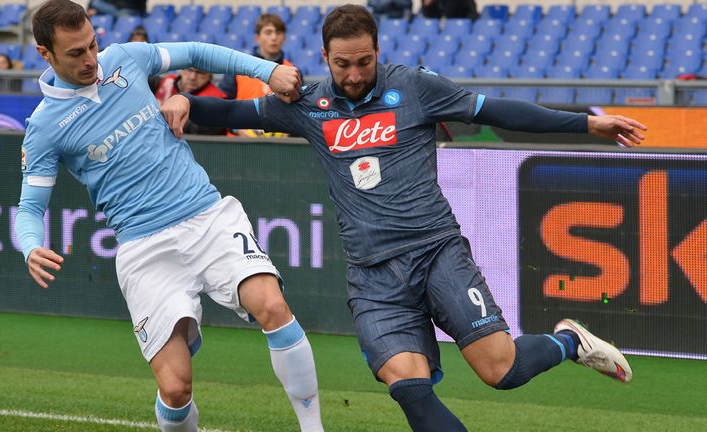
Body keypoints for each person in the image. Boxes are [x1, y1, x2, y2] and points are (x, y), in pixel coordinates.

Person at [159, 4, 646, 431]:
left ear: (378, 50)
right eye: (343, 64)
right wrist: (184, 99)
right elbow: (233, 112)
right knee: (408, 386)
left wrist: (586, 123)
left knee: (502, 371)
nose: (354, 74)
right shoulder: (307, 105)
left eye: (364, 62)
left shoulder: (414, 88)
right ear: (325, 57)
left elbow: (497, 110)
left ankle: (568, 341)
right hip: (373, 277)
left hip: (437, 254)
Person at [14, 1, 323, 431]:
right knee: (176, 388)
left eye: (92, 45)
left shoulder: (124, 58)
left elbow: (197, 52)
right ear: (45, 54)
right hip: (145, 248)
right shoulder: (45, 127)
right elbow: (29, 208)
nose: (90, 60)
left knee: (272, 305)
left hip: (207, 217)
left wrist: (264, 70)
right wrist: (30, 245)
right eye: (75, 54)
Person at [219, 13, 299, 138]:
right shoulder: (238, 67)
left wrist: (288, 131)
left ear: (284, 38)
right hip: (240, 144)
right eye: (268, 32)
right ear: (257, 37)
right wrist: (237, 129)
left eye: (278, 33)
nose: (274, 37)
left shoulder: (292, 71)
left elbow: (299, 111)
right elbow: (221, 106)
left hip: (279, 145)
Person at [150, 67, 228, 135]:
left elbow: (198, 130)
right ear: (181, 70)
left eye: (200, 73)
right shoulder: (159, 83)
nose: (192, 77)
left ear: (209, 75)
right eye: (189, 70)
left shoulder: (218, 100)